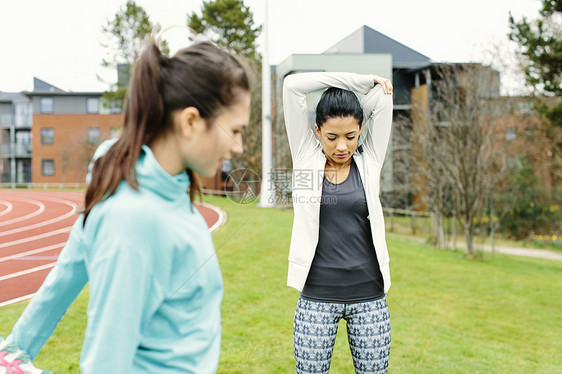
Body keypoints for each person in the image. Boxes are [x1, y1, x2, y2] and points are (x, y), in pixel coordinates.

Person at [1, 40, 250, 373]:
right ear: (190, 122)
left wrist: (14, 351)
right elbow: (106, 363)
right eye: (234, 131)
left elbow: (67, 272)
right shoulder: (133, 219)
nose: (239, 147)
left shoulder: (154, 185)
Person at [283, 72, 393, 373]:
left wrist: (373, 90)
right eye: (332, 137)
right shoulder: (305, 155)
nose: (342, 146)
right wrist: (359, 81)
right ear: (317, 130)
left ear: (361, 132)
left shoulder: (369, 160)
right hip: (316, 297)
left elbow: (383, 98)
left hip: (369, 298)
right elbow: (292, 86)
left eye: (350, 136)